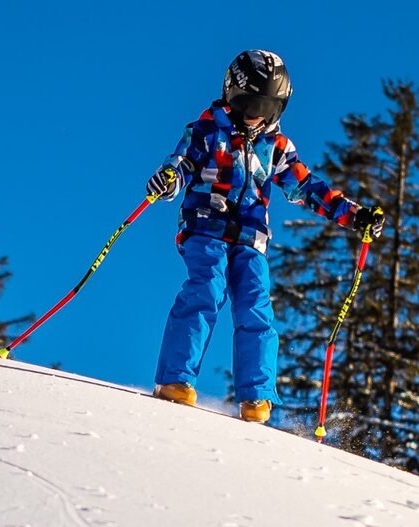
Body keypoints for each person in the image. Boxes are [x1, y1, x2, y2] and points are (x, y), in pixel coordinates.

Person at [145, 49, 385, 423]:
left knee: (256, 305)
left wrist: (354, 216)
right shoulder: (208, 130)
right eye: (248, 103)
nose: (255, 113)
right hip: (206, 225)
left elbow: (307, 187)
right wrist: (169, 180)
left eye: (266, 106)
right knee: (206, 290)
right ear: (231, 96)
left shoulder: (277, 147)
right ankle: (174, 379)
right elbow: (182, 163)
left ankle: (256, 397)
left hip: (251, 237)